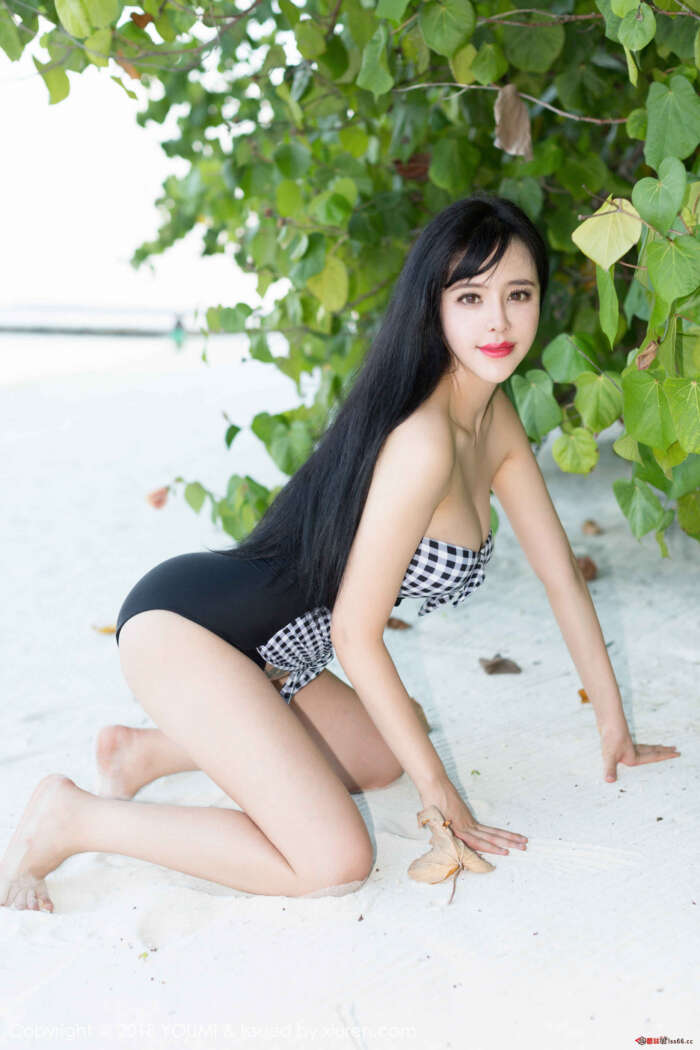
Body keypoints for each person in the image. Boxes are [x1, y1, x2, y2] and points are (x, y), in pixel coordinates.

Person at [0, 193, 680, 912]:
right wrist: (440, 792)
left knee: (384, 754)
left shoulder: (493, 415)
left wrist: (614, 728)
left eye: (519, 294)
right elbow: (356, 635)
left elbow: (560, 576)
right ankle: (73, 818)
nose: (498, 322)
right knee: (335, 861)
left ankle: (137, 754)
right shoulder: (422, 441)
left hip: (274, 656)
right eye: (470, 297)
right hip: (189, 630)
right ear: (434, 307)